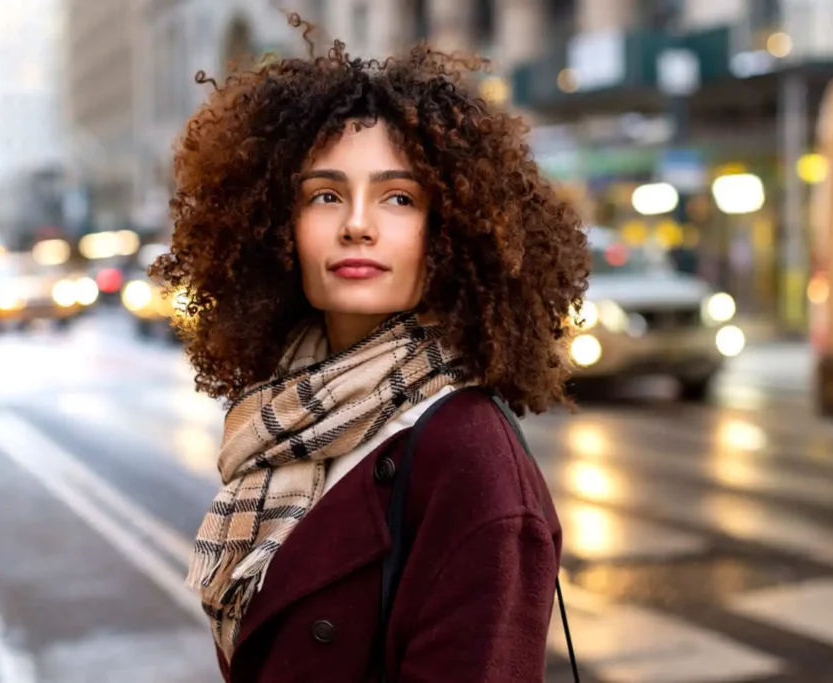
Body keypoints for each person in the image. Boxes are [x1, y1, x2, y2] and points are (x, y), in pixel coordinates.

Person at [151, 14, 590, 683]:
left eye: (398, 198)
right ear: (278, 227)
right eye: (325, 195)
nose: (358, 224)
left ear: (450, 229)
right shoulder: (279, 422)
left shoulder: (468, 458)